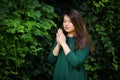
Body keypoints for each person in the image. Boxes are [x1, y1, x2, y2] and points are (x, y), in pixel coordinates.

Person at [48, 9, 94, 80]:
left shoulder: (83, 41)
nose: (66, 24)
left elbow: (76, 62)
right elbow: (51, 60)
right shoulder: (61, 39)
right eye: (64, 21)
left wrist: (63, 43)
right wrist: (58, 44)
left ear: (76, 22)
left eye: (70, 21)